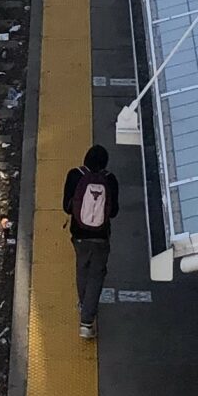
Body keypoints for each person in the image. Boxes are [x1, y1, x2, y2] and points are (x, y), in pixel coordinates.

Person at [63, 145, 120, 339]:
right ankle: (86, 322)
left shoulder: (74, 175)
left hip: (79, 235)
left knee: (82, 269)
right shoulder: (110, 179)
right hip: (101, 236)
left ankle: (84, 305)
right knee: (97, 275)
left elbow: (66, 207)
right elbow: (113, 212)